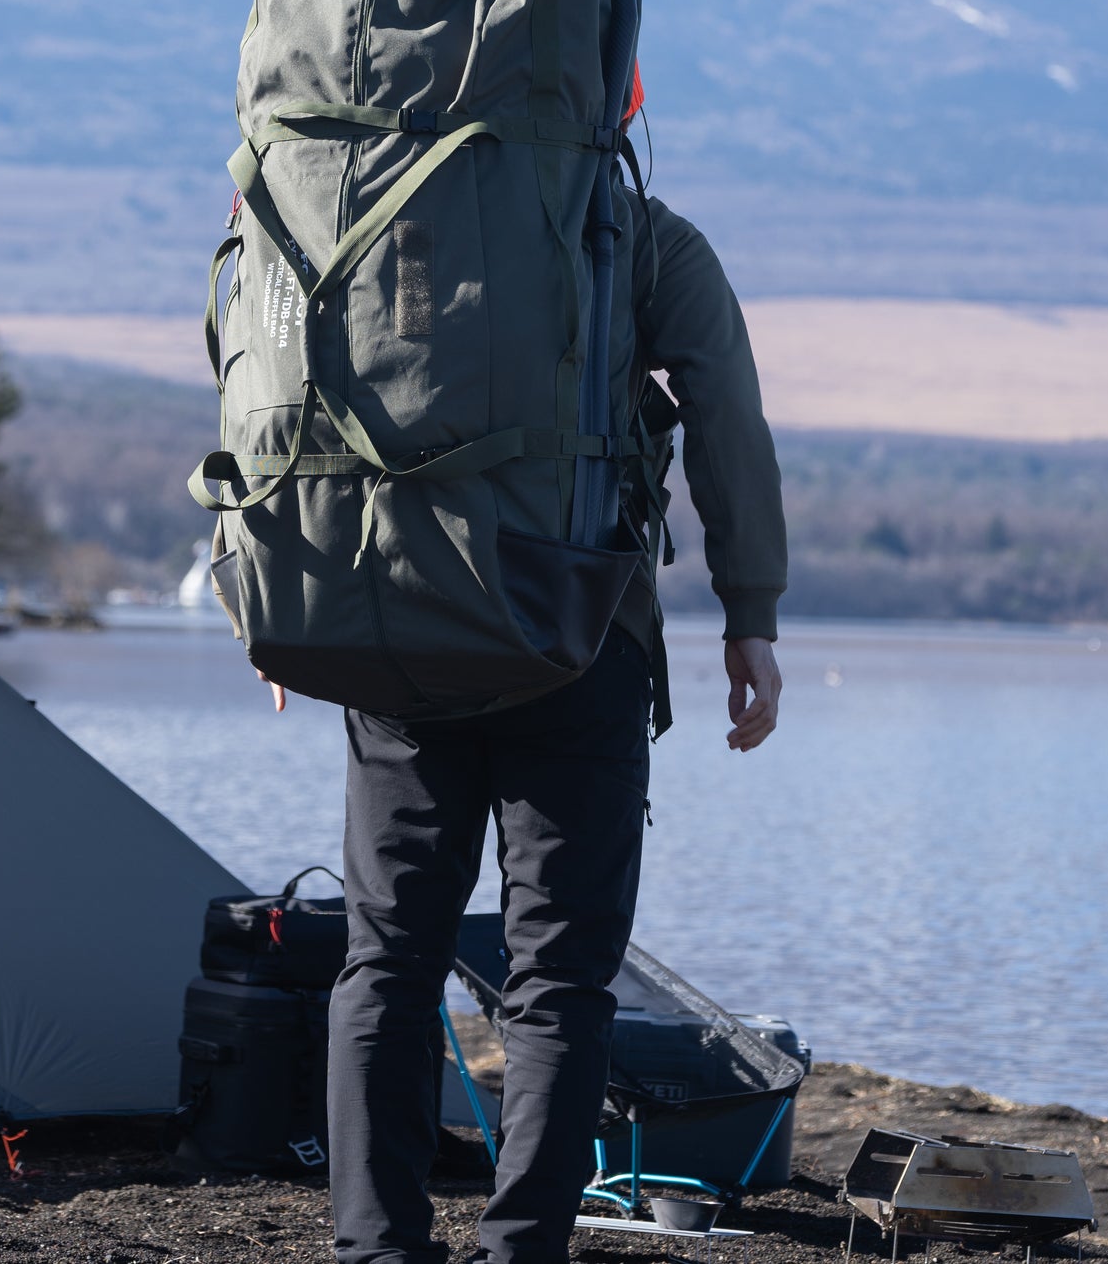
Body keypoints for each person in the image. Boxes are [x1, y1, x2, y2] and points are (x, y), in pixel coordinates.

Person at [258, 191, 786, 1264]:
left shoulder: (352, 199)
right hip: (580, 633)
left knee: (387, 960)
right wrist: (751, 613)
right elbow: (726, 409)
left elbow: (264, 382)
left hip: (393, 626)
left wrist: (279, 599)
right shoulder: (643, 235)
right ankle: (522, 1250)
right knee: (559, 977)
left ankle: (378, 1248)